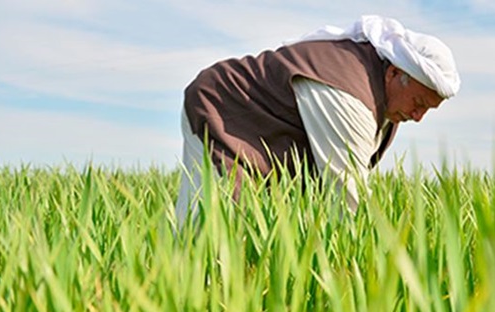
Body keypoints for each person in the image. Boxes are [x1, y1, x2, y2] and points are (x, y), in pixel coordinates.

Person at [174, 15, 460, 226]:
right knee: (214, 229)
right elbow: (345, 196)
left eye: (427, 110)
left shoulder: (385, 99)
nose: (418, 117)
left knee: (270, 228)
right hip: (223, 112)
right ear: (394, 74)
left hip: (270, 145)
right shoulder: (347, 94)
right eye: (419, 103)